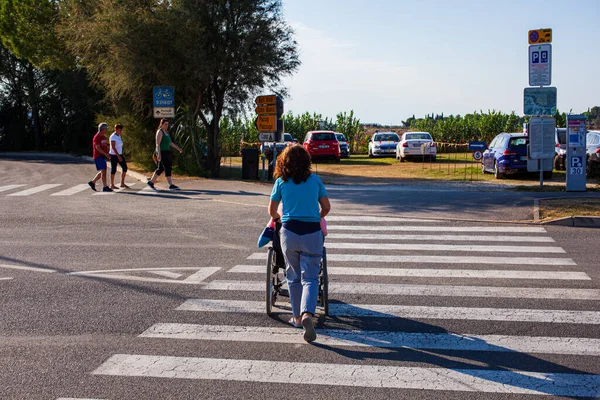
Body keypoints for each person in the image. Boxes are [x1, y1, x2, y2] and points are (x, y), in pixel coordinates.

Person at [268, 145, 331, 342]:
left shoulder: (281, 182)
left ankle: (296, 317)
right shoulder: (315, 180)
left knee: (293, 276)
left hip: (289, 232)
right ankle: (307, 315)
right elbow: (327, 207)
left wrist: (280, 218)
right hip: (312, 232)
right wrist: (316, 216)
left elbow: (272, 211)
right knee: (310, 278)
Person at [147, 119, 183, 190]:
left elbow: (170, 143)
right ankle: (171, 185)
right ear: (161, 124)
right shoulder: (160, 132)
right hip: (162, 152)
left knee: (160, 168)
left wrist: (178, 148)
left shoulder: (166, 132)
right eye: (165, 124)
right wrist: (159, 154)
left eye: (167, 124)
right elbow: (158, 144)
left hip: (167, 152)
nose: (167, 126)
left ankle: (151, 182)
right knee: (167, 167)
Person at [88, 122, 112, 192]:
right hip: (98, 156)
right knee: (103, 171)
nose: (106, 130)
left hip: (103, 155)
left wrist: (107, 153)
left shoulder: (103, 137)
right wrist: (105, 153)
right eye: (105, 129)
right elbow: (97, 147)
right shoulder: (97, 137)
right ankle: (105, 187)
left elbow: (105, 146)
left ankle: (92, 182)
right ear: (102, 129)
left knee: (103, 171)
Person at [109, 123, 129, 189]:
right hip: (114, 155)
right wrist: (118, 156)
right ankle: (111, 184)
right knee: (113, 169)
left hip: (120, 154)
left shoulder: (119, 136)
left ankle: (122, 183)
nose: (120, 131)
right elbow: (113, 147)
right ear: (115, 129)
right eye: (119, 130)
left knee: (125, 168)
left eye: (121, 130)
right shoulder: (113, 137)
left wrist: (120, 155)